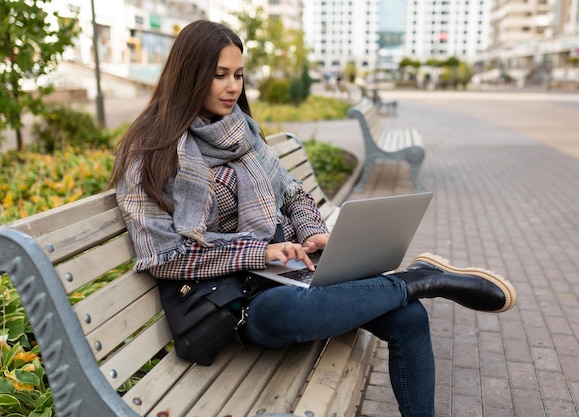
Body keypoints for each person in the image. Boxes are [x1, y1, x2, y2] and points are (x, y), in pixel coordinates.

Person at [110, 20, 517, 417]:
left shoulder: (242, 133)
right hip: (233, 301)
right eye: (220, 75)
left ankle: (416, 286)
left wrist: (314, 234)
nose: (233, 87)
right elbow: (166, 258)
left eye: (238, 74)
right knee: (290, 309)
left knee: (409, 317)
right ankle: (422, 279)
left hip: (287, 269)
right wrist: (260, 251)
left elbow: (293, 193)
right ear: (190, 75)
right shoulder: (149, 154)